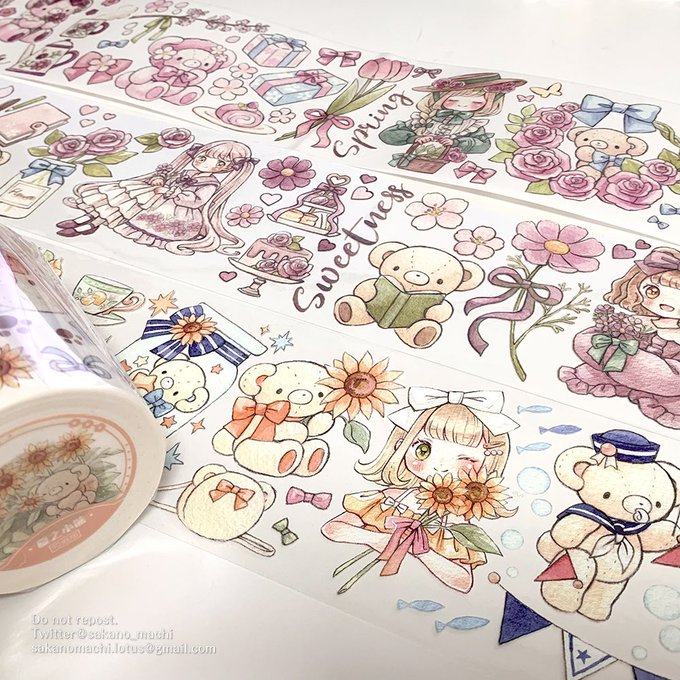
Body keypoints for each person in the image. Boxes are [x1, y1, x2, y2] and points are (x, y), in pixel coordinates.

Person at [322, 387, 518, 592]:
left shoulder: (454, 523)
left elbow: (463, 581)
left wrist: (422, 552)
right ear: (402, 444)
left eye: (465, 460)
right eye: (424, 450)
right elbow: (333, 528)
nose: (440, 467)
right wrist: (376, 539)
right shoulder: (391, 499)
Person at [56, 141, 258, 256]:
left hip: (176, 211)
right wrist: (159, 180)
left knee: (132, 204)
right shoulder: (186, 170)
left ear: (229, 169)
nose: (205, 164)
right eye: (203, 157)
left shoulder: (210, 183)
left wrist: (173, 193)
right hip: (158, 197)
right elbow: (168, 178)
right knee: (127, 197)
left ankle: (88, 224)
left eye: (219, 163)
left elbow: (196, 201)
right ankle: (87, 221)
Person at [560, 247, 680, 429]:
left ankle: (628, 368)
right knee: (591, 341)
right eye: (652, 291)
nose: (666, 305)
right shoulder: (638, 322)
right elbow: (590, 339)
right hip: (630, 359)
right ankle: (625, 367)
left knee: (671, 382)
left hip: (670, 377)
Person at [379, 72, 526, 154]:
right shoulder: (424, 119)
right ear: (439, 98)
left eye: (476, 103)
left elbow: (483, 145)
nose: (463, 105)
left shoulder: (472, 125)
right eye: (453, 100)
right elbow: (387, 135)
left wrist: (456, 143)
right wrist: (414, 138)